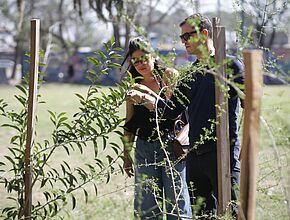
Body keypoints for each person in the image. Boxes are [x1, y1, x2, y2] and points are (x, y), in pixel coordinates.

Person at [131, 14, 244, 218]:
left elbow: (251, 104)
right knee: (201, 215)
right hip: (194, 156)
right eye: (181, 38)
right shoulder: (191, 73)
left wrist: (241, 153)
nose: (183, 42)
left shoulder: (230, 66)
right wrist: (147, 99)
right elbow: (170, 110)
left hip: (222, 154)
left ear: (204, 34)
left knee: (233, 213)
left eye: (187, 36)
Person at [122, 37, 192, 219]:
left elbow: (171, 112)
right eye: (135, 60)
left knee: (176, 203)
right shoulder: (133, 85)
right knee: (146, 205)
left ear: (153, 56)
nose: (140, 64)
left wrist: (146, 95)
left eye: (144, 58)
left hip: (171, 147)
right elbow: (129, 122)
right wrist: (126, 154)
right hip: (144, 148)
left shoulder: (169, 75)